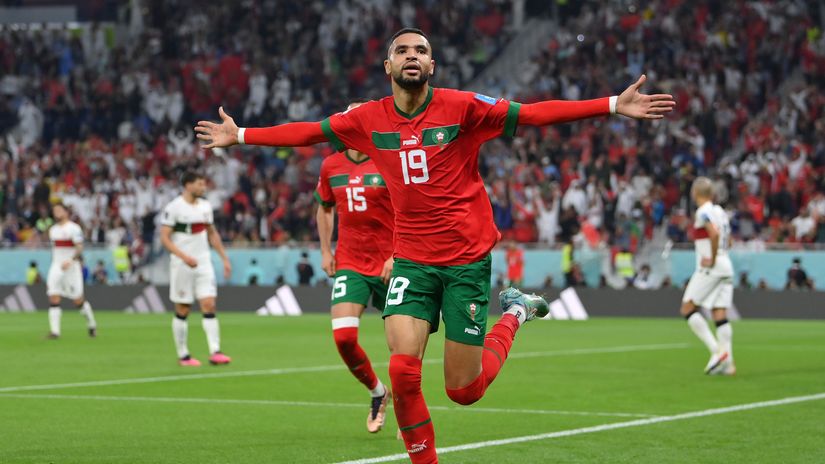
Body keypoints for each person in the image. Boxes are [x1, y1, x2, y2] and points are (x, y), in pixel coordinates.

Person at [195, 28, 673, 463]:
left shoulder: (462, 107)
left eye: (420, 51)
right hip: (411, 261)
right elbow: (308, 133)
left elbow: (531, 115)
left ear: (431, 66)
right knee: (403, 375)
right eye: (401, 50)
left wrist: (611, 104)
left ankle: (516, 313)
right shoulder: (365, 119)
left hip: (466, 262)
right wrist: (240, 135)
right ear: (388, 67)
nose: (411, 56)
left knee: (464, 392)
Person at [316, 102, 395, 433]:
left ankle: (409, 409)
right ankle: (378, 392)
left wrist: (398, 254)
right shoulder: (331, 165)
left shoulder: (389, 161)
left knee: (403, 351)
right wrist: (325, 250)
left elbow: (411, 210)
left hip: (393, 264)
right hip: (350, 262)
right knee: (344, 338)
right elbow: (324, 208)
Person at [160, 171, 232, 367]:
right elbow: (165, 237)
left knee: (209, 304)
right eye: (200, 184)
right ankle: (184, 355)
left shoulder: (205, 206)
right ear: (188, 185)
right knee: (183, 308)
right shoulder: (173, 208)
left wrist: (224, 258)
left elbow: (212, 234)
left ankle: (215, 351)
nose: (204, 187)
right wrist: (184, 257)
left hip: (203, 262)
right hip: (182, 264)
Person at [679, 177, 735, 376]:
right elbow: (728, 238)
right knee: (719, 314)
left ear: (694, 194)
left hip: (711, 266)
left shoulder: (702, 212)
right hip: (726, 264)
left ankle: (716, 351)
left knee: (687, 307)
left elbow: (714, 234)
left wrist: (711, 258)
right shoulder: (720, 212)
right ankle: (729, 365)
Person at [45, 203, 98, 338]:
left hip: (71, 266)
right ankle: (55, 332)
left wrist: (71, 259)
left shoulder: (74, 228)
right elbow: (55, 250)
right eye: (54, 210)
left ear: (66, 212)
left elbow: (79, 247)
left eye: (59, 210)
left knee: (77, 300)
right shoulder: (53, 230)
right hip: (56, 266)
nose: (56, 212)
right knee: (53, 295)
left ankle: (91, 323)